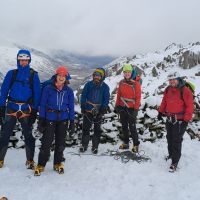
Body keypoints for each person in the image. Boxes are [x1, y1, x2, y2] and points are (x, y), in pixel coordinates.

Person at [0, 49, 41, 169]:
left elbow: (37, 94)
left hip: (26, 109)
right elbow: (3, 91)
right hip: (11, 107)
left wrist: (34, 110)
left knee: (29, 136)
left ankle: (30, 160)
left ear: (29, 61)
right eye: (21, 60)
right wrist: (2, 107)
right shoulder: (11, 74)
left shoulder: (33, 75)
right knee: (4, 135)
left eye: (26, 60)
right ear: (18, 60)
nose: (23, 62)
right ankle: (0, 160)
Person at [34, 66, 74, 176]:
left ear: (66, 78)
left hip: (63, 120)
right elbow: (42, 105)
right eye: (59, 75)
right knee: (46, 143)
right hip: (49, 119)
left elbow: (71, 107)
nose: (61, 78)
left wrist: (72, 122)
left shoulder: (69, 91)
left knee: (60, 143)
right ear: (56, 76)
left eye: (63, 76)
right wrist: (41, 119)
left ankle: (57, 163)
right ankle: (41, 164)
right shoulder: (48, 89)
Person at [158, 71, 194, 172]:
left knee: (177, 140)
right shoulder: (168, 89)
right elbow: (164, 101)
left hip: (180, 120)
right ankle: (171, 155)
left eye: (173, 79)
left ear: (178, 79)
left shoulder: (185, 91)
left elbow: (190, 106)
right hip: (169, 119)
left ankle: (175, 162)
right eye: (170, 80)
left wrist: (186, 120)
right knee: (169, 138)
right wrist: (160, 112)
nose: (172, 81)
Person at [80, 67, 110, 154]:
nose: (96, 77)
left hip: (98, 111)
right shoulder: (88, 85)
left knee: (97, 129)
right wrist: (83, 107)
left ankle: (95, 146)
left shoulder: (105, 87)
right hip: (88, 110)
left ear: (102, 77)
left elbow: (106, 99)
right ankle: (84, 145)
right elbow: (83, 96)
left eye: (99, 76)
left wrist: (103, 109)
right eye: (95, 75)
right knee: (85, 128)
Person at [115, 64, 141, 153]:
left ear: (131, 72)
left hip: (131, 108)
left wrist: (136, 110)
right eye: (125, 72)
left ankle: (136, 144)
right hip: (122, 107)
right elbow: (119, 95)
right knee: (124, 126)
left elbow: (138, 98)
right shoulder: (122, 82)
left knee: (132, 127)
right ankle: (126, 143)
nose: (127, 74)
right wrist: (117, 105)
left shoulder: (136, 84)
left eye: (128, 72)